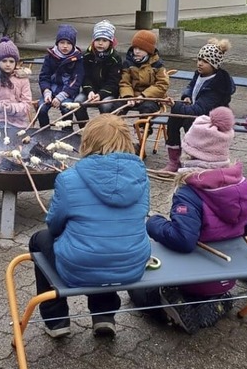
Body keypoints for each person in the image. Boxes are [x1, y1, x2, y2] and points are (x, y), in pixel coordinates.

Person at [28, 114, 151, 339]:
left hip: (78, 268)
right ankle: (104, 316)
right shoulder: (141, 177)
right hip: (131, 265)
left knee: (39, 239)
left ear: (88, 141)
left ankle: (56, 320)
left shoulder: (69, 178)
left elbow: (54, 226)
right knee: (109, 241)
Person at [135, 107, 247, 334]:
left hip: (196, 276)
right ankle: (217, 300)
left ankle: (174, 303)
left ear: (190, 152)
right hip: (228, 273)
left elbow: (183, 240)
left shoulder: (190, 193)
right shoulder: (243, 183)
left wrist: (154, 223)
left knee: (139, 292)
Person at [161, 38, 235, 172]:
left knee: (191, 121)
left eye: (205, 61)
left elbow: (199, 110)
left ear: (215, 64)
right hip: (197, 112)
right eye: (199, 59)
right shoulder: (199, 74)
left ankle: (197, 159)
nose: (200, 63)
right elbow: (191, 87)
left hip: (211, 120)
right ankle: (174, 160)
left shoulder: (217, 85)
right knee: (174, 119)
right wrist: (187, 96)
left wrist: (175, 105)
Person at [74, 20, 122, 127]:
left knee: (105, 106)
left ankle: (104, 131)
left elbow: (114, 82)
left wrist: (101, 94)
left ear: (110, 42)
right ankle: (85, 129)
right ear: (93, 40)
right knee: (78, 103)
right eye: (97, 40)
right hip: (90, 90)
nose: (100, 43)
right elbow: (85, 77)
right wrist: (89, 91)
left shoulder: (115, 58)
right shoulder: (87, 55)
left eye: (104, 40)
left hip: (107, 92)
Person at [37, 24, 84, 128]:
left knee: (66, 109)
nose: (65, 46)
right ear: (57, 43)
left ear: (73, 45)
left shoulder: (78, 59)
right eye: (62, 42)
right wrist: (46, 92)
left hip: (67, 92)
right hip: (51, 90)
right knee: (41, 108)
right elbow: (44, 76)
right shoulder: (50, 57)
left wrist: (62, 96)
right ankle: (44, 130)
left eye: (68, 43)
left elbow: (76, 80)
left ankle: (67, 130)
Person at [0, 37, 32, 131]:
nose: (8, 64)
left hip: (20, 122)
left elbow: (27, 105)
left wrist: (12, 108)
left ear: (16, 63)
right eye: (4, 61)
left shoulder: (23, 80)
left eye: (11, 61)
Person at [119, 30, 169, 118]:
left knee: (147, 108)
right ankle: (116, 127)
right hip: (132, 96)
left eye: (141, 49)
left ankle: (142, 129)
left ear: (149, 51)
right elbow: (124, 82)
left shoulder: (157, 64)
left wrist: (144, 96)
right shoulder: (128, 63)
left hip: (151, 98)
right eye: (135, 48)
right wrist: (128, 96)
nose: (137, 51)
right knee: (115, 106)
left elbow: (162, 84)